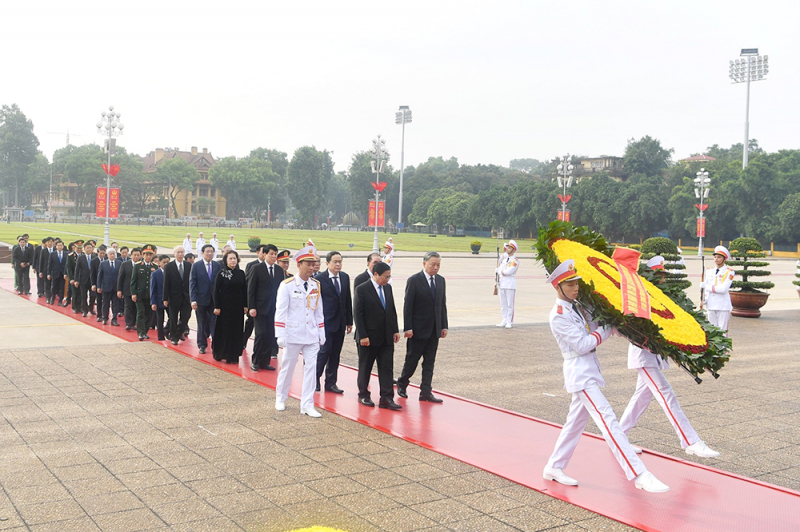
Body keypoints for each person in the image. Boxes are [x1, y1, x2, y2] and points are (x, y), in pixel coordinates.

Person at [542, 259, 669, 493]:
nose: (575, 288)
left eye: (576, 283)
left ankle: (554, 466)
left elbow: (598, 323)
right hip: (579, 373)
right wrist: (607, 329)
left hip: (588, 369)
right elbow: (582, 344)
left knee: (575, 424)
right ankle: (639, 473)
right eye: (569, 284)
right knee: (608, 420)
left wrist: (619, 323)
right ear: (557, 287)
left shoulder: (578, 307)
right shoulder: (559, 315)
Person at [618, 256, 721, 459]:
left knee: (641, 398)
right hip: (643, 356)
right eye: (659, 276)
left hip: (653, 357)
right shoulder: (640, 298)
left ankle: (618, 437)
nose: (663, 280)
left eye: (663, 275)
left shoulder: (660, 298)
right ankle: (691, 441)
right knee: (666, 394)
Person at [274, 245, 326, 417]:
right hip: (293, 334)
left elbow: (318, 311)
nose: (312, 267)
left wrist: (321, 332)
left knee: (312, 369)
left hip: (311, 334)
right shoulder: (287, 285)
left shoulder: (316, 285)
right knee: (287, 367)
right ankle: (281, 397)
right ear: (299, 264)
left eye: (314, 263)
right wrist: (280, 334)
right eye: (308, 264)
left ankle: (307, 404)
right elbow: (281, 311)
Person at [397, 251, 448, 403]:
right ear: (424, 263)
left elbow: (442, 305)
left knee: (429, 362)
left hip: (434, 329)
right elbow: (408, 306)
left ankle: (426, 391)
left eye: (438, 265)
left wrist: (443, 325)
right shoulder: (414, 280)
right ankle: (402, 383)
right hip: (418, 330)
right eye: (433, 264)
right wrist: (408, 327)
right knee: (412, 360)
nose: (436, 268)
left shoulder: (441, 280)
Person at [353, 261, 401, 410]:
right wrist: (363, 336)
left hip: (386, 337)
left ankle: (386, 398)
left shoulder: (388, 289)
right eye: (385, 277)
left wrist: (395, 330)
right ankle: (363, 394)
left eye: (389, 276)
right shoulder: (362, 289)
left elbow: (391, 310)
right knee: (365, 367)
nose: (387, 279)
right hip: (368, 337)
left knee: (387, 368)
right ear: (375, 274)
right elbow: (358, 314)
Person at [314, 251, 353, 394]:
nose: (338, 264)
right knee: (324, 352)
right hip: (326, 322)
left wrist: (349, 321)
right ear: (327, 263)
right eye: (335, 262)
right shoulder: (319, 279)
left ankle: (331, 383)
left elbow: (347, 299)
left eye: (340, 262)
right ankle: (315, 380)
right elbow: (316, 303)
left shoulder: (344, 277)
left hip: (340, 323)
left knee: (335, 354)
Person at [247, 244, 284, 372]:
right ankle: (256, 361)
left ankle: (265, 361)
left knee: (270, 335)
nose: (274, 256)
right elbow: (251, 289)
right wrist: (251, 306)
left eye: (275, 254)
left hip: (274, 309)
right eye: (271, 254)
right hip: (259, 308)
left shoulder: (279, 270)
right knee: (261, 334)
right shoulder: (257, 268)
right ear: (265, 255)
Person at [212, 250, 248, 364]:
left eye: (234, 258)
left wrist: (245, 305)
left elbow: (245, 290)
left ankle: (233, 355)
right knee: (224, 330)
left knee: (236, 331)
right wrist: (217, 306)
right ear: (226, 261)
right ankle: (221, 353)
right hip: (224, 307)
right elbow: (216, 291)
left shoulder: (241, 273)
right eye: (230, 258)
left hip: (237, 308)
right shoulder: (221, 274)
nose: (233, 261)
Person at [190, 244, 221, 354]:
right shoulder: (196, 266)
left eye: (211, 251)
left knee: (214, 323)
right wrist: (193, 299)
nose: (209, 254)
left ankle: (216, 345)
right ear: (202, 253)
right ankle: (202, 345)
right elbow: (192, 283)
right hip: (201, 299)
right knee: (202, 323)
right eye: (207, 251)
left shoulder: (217, 265)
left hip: (214, 300)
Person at [163, 245, 191, 346]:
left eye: (182, 252)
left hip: (186, 297)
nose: (180, 254)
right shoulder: (169, 266)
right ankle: (174, 337)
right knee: (173, 318)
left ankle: (179, 332)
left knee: (186, 317)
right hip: (173, 296)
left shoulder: (188, 265)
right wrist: (165, 298)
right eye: (178, 252)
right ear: (174, 254)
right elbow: (166, 283)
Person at [703, 245, 734, 333]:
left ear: (724, 259)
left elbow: (723, 289)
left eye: (719, 257)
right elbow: (705, 289)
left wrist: (707, 287)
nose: (716, 259)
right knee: (711, 330)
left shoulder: (729, 272)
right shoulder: (709, 271)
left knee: (722, 330)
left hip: (722, 305)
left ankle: (723, 347)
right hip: (711, 303)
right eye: (715, 257)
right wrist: (704, 299)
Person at [131, 245, 158, 341]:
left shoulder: (155, 266)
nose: (148, 257)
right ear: (143, 255)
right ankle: (140, 332)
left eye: (150, 255)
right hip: (140, 294)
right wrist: (133, 293)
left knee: (148, 314)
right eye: (146, 255)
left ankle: (145, 331)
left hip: (150, 295)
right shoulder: (138, 266)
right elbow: (133, 281)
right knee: (140, 313)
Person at [496, 240, 519, 329]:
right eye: (507, 247)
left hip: (510, 283)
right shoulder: (505, 260)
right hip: (502, 283)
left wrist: (500, 271)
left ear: (513, 250)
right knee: (503, 303)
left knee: (510, 304)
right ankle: (504, 319)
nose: (507, 249)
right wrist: (499, 271)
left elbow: (508, 271)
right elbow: (499, 269)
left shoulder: (515, 261)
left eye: (509, 248)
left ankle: (510, 321)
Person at [96, 248, 122, 326]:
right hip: (106, 287)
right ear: (107, 255)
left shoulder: (119, 263)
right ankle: (105, 318)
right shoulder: (103, 264)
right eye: (110, 254)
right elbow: (99, 276)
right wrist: (99, 286)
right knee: (105, 303)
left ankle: (114, 319)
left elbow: (121, 276)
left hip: (115, 287)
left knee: (115, 304)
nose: (112, 255)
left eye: (113, 254)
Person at [117, 247, 141, 331]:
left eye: (138, 255)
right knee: (128, 307)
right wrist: (119, 290)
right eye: (134, 255)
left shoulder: (141, 265)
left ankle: (134, 322)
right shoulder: (125, 264)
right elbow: (121, 277)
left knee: (135, 308)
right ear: (131, 255)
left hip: (138, 290)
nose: (136, 257)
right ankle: (128, 324)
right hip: (127, 289)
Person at [150, 254, 170, 340]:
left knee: (172, 318)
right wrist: (153, 302)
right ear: (159, 263)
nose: (165, 264)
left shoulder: (171, 272)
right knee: (160, 319)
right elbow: (153, 289)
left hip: (169, 300)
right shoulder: (155, 274)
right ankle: (160, 336)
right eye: (164, 262)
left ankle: (167, 331)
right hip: (159, 300)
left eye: (167, 262)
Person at [74, 241, 95, 317]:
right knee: (83, 296)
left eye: (90, 248)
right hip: (83, 280)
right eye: (87, 248)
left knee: (93, 295)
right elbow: (77, 269)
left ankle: (91, 308)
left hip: (92, 280)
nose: (89, 249)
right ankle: (85, 310)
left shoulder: (94, 257)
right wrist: (76, 280)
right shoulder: (81, 258)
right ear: (84, 249)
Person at [47, 239, 68, 306]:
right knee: (54, 287)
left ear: (63, 246)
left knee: (62, 287)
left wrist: (66, 273)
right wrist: (49, 273)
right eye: (58, 245)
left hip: (62, 274)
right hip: (55, 273)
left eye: (61, 245)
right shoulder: (53, 254)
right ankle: (52, 298)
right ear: (56, 246)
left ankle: (60, 301)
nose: (59, 247)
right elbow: (49, 264)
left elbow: (67, 265)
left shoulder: (66, 254)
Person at [90, 244, 107, 320]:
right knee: (99, 300)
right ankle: (99, 315)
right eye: (101, 253)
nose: (102, 255)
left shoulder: (107, 260)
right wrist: (93, 284)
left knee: (106, 301)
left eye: (103, 253)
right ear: (97, 253)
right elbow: (92, 274)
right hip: (98, 284)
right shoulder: (94, 261)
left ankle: (105, 315)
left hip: (106, 284)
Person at [65, 241, 81, 311]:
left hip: (81, 278)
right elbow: (69, 268)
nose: (79, 250)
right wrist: (71, 278)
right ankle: (75, 307)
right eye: (78, 248)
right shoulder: (70, 256)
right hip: (74, 277)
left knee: (81, 293)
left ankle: (81, 307)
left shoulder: (83, 255)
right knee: (74, 293)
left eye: (80, 248)